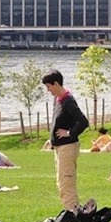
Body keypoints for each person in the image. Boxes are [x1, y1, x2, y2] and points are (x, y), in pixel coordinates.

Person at [43, 68, 89, 212]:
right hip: (59, 148)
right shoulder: (58, 99)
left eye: (49, 86)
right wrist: (52, 139)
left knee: (66, 184)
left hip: (67, 147)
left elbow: (83, 122)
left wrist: (69, 133)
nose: (48, 90)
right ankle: (72, 211)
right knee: (61, 183)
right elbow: (59, 121)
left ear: (56, 84)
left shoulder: (68, 100)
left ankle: (73, 214)